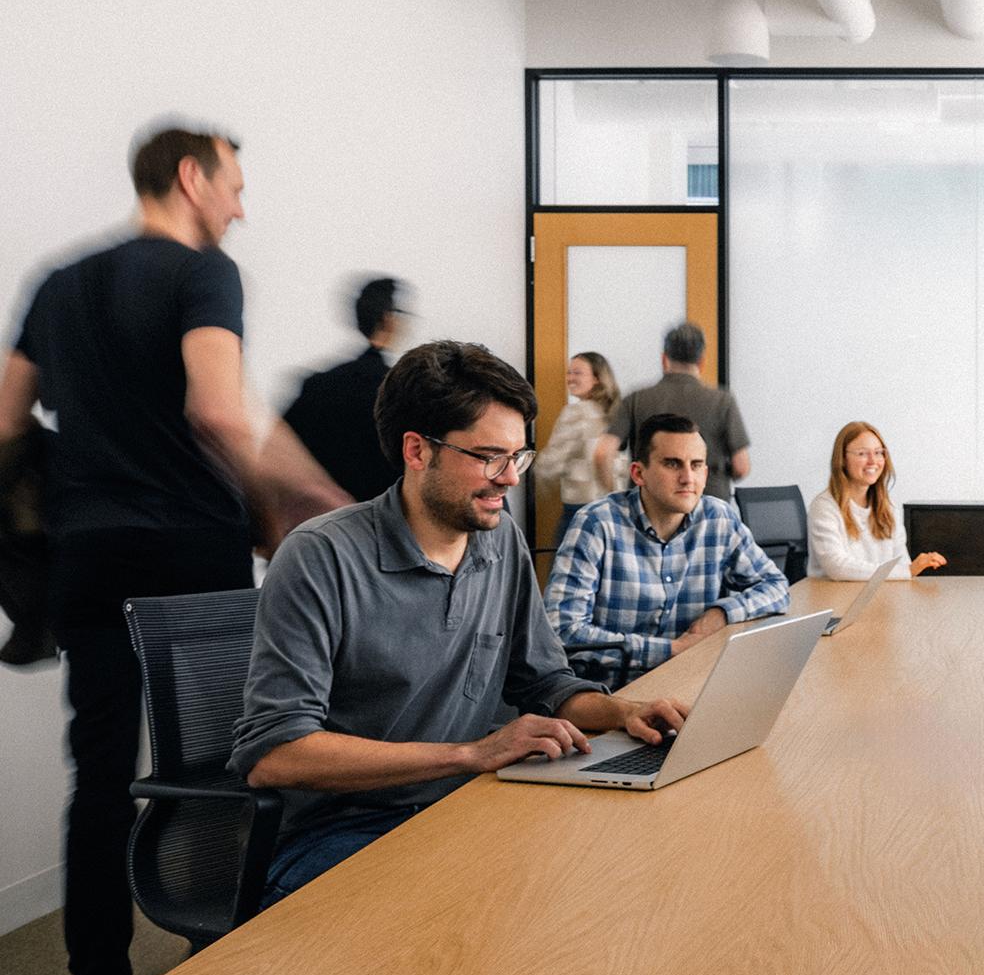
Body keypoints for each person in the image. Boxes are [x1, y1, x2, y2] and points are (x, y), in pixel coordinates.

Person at [0, 124, 343, 975]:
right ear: (191, 178)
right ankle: (228, 958)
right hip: (189, 555)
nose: (241, 204)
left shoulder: (60, 282)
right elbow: (220, 413)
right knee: (242, 758)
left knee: (101, 776)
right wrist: (322, 495)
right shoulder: (203, 273)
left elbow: (3, 421)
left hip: (88, 554)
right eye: (233, 184)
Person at [231, 341, 689, 907]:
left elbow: (546, 684)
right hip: (339, 833)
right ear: (417, 451)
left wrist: (625, 711)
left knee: (609, 879)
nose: (511, 479)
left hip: (469, 806)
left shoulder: (500, 546)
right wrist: (471, 754)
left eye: (518, 457)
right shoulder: (320, 556)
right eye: (489, 456)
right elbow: (277, 753)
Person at [550, 413, 789, 674]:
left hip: (689, 681)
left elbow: (776, 586)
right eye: (673, 464)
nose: (688, 478)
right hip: (611, 691)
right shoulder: (596, 524)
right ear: (639, 473)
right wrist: (671, 650)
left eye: (696, 465)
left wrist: (720, 614)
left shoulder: (718, 518)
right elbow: (562, 630)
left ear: (706, 473)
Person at [283, 276, 408, 502]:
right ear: (389, 319)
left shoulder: (316, 384)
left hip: (314, 520)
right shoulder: (400, 392)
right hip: (372, 522)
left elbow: (283, 451)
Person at [594, 322, 749, 502]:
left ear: (664, 359)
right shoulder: (723, 401)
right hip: (708, 504)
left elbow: (602, 453)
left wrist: (615, 498)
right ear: (702, 361)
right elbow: (741, 466)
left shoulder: (635, 399)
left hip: (649, 506)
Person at [807, 421, 946, 580]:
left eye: (879, 452)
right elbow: (837, 567)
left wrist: (910, 569)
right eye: (862, 453)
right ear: (842, 459)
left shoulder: (888, 507)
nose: (873, 461)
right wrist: (908, 570)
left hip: (880, 596)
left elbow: (901, 563)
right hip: (834, 598)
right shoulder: (824, 507)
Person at [538, 351, 619, 548]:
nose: (570, 378)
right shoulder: (616, 412)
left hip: (580, 509)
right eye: (569, 372)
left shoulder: (576, 412)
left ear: (597, 378)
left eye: (578, 373)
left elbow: (550, 463)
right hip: (614, 509)